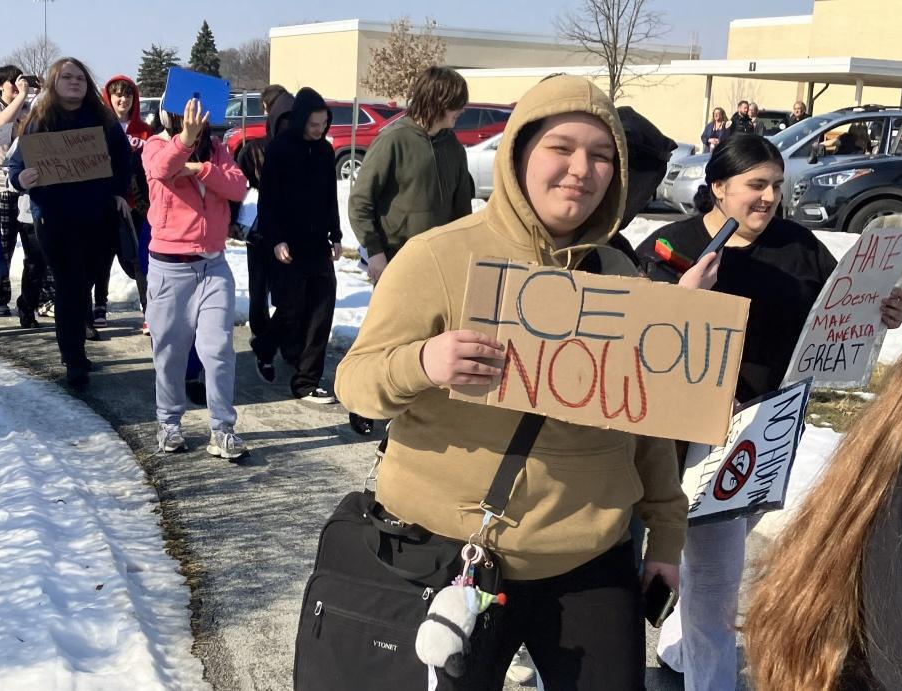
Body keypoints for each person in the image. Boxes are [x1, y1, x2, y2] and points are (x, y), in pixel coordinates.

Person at [335, 75, 688, 689]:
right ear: (518, 153)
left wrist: (666, 535)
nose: (582, 169)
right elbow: (356, 383)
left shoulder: (622, 278)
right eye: (562, 148)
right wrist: (424, 363)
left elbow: (646, 424)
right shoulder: (440, 257)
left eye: (602, 156)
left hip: (590, 562)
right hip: (453, 557)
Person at [637, 134, 902, 690]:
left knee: (722, 549)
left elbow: (842, 306)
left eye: (776, 186)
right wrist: (682, 300)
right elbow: (641, 346)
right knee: (715, 575)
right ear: (717, 187)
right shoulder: (672, 247)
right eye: (754, 185)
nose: (768, 198)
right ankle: (708, 677)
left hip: (775, 424)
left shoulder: (799, 246)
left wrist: (883, 308)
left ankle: (682, 647)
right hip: (693, 435)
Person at [744, 295, 902, 691]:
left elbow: (829, 311)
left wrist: (875, 311)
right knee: (705, 572)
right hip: (732, 438)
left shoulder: (806, 255)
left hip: (772, 433)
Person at [347, 65, 474, 435]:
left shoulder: (453, 147)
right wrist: (375, 253)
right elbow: (360, 202)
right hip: (394, 262)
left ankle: (414, 415)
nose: (460, 113)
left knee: (430, 345)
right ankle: (365, 404)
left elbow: (461, 210)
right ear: (438, 101)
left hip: (440, 265)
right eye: (456, 106)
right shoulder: (394, 140)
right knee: (386, 342)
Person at [7, 57, 132, 390]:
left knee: (85, 282)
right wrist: (22, 179)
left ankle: (75, 347)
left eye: (80, 77)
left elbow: (123, 161)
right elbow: (14, 167)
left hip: (98, 218)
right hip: (55, 219)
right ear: (53, 82)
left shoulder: (103, 119)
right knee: (69, 285)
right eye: (66, 77)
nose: (75, 82)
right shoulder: (38, 120)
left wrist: (120, 193)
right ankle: (73, 358)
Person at [141, 97, 248, 458]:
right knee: (169, 353)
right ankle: (169, 423)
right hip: (169, 269)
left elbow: (237, 187)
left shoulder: (217, 150)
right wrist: (183, 139)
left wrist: (201, 168)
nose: (196, 122)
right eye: (187, 116)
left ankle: (222, 429)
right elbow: (160, 169)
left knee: (218, 350)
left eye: (200, 117)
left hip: (214, 267)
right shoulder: (156, 144)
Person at [253, 87, 343, 404]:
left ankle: (306, 382)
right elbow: (268, 202)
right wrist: (276, 240)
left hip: (318, 243)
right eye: (314, 124)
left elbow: (330, 197)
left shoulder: (324, 152)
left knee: (322, 310)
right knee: (291, 309)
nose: (319, 130)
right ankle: (264, 345)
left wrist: (336, 235)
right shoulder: (280, 149)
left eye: (324, 125)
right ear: (302, 119)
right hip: (287, 244)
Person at [0, 64, 48, 325]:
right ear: (1, 85)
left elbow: (40, 121)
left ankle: (39, 298)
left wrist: (41, 94)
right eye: (12, 82)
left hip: (28, 187)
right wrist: (21, 96)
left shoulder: (26, 107)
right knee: (3, 246)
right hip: (1, 188)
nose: (17, 86)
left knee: (35, 249)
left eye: (21, 82)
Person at [234, 84, 291, 346]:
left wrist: (235, 218)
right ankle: (279, 331)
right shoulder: (294, 145)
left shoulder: (253, 148)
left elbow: (237, 187)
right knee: (284, 281)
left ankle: (260, 328)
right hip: (283, 223)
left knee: (259, 281)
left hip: (256, 224)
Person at [95, 74, 151, 329]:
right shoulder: (100, 127)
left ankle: (149, 308)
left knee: (139, 257)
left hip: (138, 204)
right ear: (109, 97)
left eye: (128, 95)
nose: (123, 99)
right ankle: (100, 306)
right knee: (102, 254)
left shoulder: (144, 130)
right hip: (106, 200)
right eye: (118, 94)